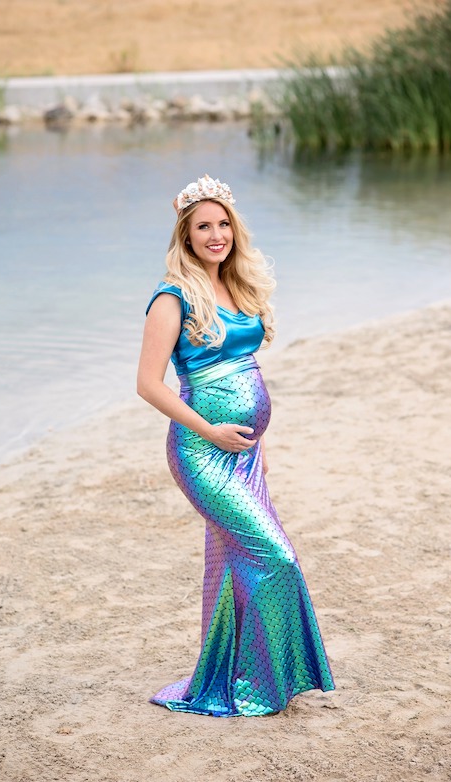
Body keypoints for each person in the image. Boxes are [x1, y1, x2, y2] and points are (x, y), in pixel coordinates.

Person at [137, 174, 335, 717]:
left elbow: (245, 367)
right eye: (204, 226)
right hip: (202, 452)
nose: (216, 234)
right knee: (277, 557)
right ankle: (255, 685)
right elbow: (148, 385)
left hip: (243, 449)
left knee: (234, 565)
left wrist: (255, 441)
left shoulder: (237, 286)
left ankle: (249, 678)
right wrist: (212, 432)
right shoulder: (171, 297)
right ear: (186, 234)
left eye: (223, 223)